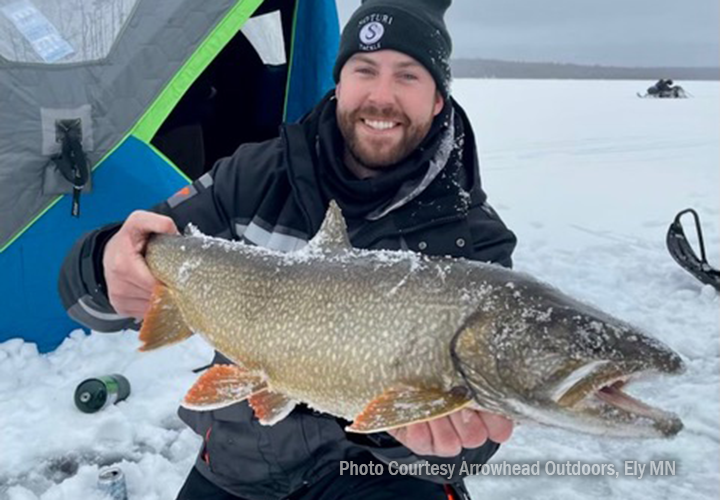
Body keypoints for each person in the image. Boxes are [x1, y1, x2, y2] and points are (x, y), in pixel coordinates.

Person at [59, 0, 518, 498]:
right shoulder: (254, 177)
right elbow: (91, 294)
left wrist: (395, 428)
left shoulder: (472, 237)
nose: (381, 97)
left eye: (408, 76)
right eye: (364, 70)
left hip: (380, 473)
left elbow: (473, 442)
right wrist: (104, 265)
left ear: (437, 98)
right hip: (239, 465)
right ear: (339, 83)